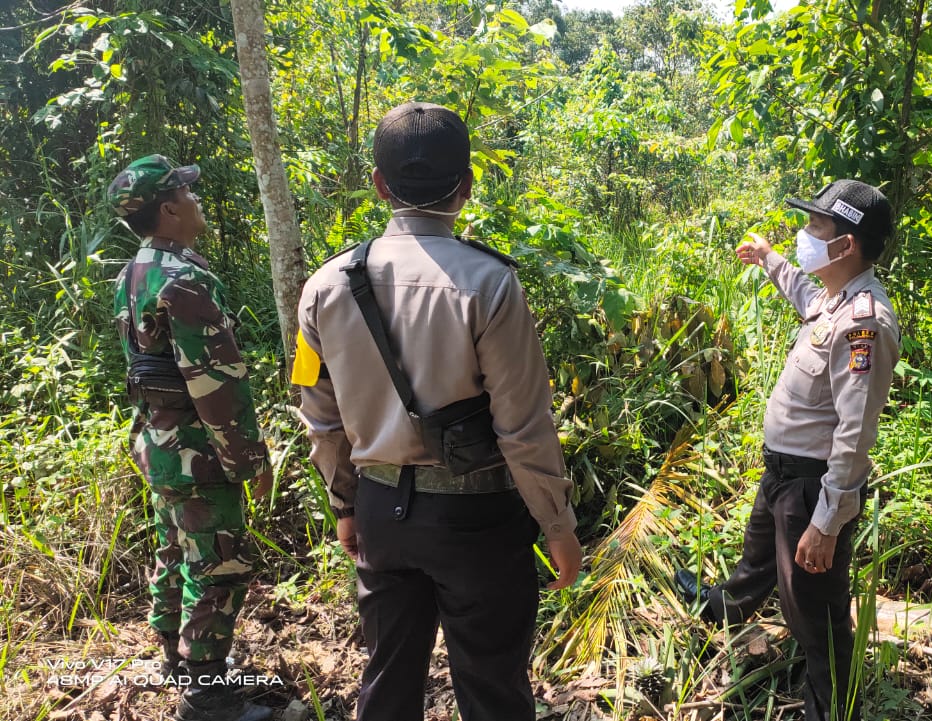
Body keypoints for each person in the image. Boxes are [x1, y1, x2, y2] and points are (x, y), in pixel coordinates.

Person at [292, 101, 584, 721]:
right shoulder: (491, 284)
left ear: (378, 185)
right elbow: (524, 425)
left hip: (380, 514)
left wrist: (345, 503)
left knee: (388, 677)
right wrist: (556, 525)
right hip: (477, 518)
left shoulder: (323, 286)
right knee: (492, 685)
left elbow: (318, 416)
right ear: (468, 186)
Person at [675, 180, 900, 721]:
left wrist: (826, 522)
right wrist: (769, 258)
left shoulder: (863, 321)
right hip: (782, 471)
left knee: (815, 613)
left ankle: (829, 709)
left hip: (810, 484)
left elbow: (854, 434)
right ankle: (724, 606)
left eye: (816, 227)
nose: (805, 235)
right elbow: (802, 293)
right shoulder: (832, 298)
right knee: (758, 558)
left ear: (845, 245)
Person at [109, 154, 273, 721]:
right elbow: (215, 385)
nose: (197, 200)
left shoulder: (135, 271)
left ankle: (176, 664)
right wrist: (248, 457)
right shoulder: (185, 279)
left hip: (158, 444)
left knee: (175, 550)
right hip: (197, 453)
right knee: (219, 564)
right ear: (170, 210)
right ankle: (206, 696)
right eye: (188, 192)